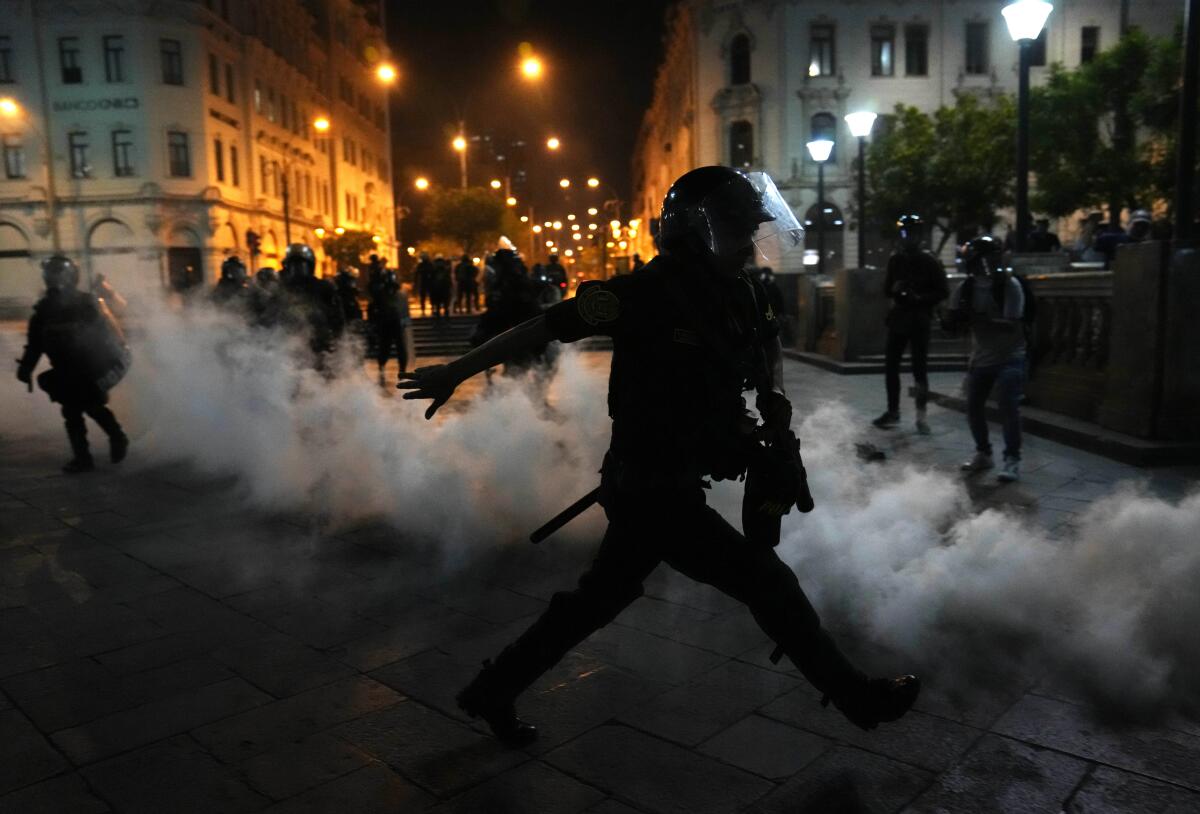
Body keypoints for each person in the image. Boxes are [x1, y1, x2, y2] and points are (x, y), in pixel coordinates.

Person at [399, 166, 919, 747]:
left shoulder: (744, 291)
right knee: (766, 582)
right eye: (738, 230)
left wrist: (773, 391)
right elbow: (542, 328)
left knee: (595, 601)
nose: (750, 244)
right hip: (646, 487)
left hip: (674, 484)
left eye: (753, 230)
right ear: (695, 231)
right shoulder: (644, 292)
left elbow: (768, 341)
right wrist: (455, 371)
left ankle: (492, 691)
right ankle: (858, 700)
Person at [16, 255, 130, 473]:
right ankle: (84, 457)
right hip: (65, 369)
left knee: (92, 406)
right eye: (49, 275)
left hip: (89, 367)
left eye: (56, 274)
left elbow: (108, 336)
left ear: (69, 277)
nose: (52, 280)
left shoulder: (87, 303)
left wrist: (104, 364)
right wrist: (26, 368)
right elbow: (35, 344)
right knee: (72, 411)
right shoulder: (44, 311)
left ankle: (116, 437)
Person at [946, 235, 1026, 483]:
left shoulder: (1009, 286)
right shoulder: (965, 288)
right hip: (981, 357)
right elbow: (953, 322)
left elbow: (1013, 326)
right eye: (988, 257)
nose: (993, 261)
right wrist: (952, 321)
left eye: (996, 256)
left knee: (1007, 402)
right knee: (973, 407)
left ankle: (1012, 459)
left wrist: (984, 320)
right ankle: (984, 453)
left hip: (1011, 356)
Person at [873, 214, 948, 434]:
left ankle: (921, 416)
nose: (907, 237)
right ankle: (893, 411)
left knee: (919, 369)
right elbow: (887, 289)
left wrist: (920, 298)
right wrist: (895, 289)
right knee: (891, 367)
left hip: (919, 319)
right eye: (904, 232)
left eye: (911, 232)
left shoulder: (929, 260)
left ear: (919, 234)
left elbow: (942, 291)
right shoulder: (896, 260)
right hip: (899, 318)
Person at [279, 243, 344, 356]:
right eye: (294, 264)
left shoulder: (323, 287)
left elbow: (337, 318)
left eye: (301, 264)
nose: (297, 268)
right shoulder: (281, 289)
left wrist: (334, 340)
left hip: (319, 346)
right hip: (289, 348)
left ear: (310, 266)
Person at [368, 269, 412, 386]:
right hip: (385, 325)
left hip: (397, 325)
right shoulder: (380, 294)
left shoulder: (400, 295)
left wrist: (406, 321)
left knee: (401, 350)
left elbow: (405, 310)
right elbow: (372, 309)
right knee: (384, 349)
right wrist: (374, 324)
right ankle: (382, 368)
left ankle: (402, 371)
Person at [431, 255, 453, 320]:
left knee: (438, 304)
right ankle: (446, 317)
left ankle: (438, 317)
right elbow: (448, 279)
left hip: (437, 289)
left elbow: (431, 279)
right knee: (445, 304)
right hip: (444, 289)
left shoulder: (434, 269)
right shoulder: (445, 269)